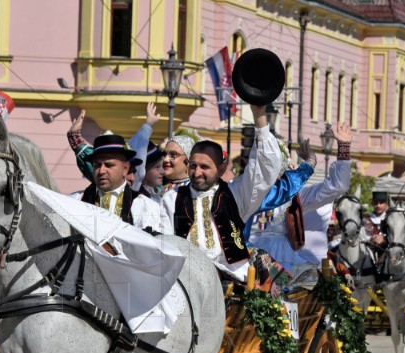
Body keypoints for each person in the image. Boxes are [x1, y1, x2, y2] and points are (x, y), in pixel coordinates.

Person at [159, 104, 281, 282]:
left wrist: (259, 117)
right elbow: (164, 243)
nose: (197, 172)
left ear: (221, 168)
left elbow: (263, 169)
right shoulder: (172, 198)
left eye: (205, 167)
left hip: (231, 280)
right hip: (185, 279)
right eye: (193, 166)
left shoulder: (235, 194)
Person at [247, 122, 355, 276]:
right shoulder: (241, 191)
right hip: (245, 259)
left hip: (284, 261)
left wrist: (344, 147)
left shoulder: (296, 196)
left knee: (297, 290)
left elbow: (338, 186)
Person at [70, 134, 161, 231]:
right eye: (97, 165)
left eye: (109, 165)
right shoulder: (75, 201)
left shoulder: (144, 205)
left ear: (125, 169)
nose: (101, 171)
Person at [363, 190, 390, 254]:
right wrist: (370, 239)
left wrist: (384, 240)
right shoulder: (364, 219)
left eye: (381, 203)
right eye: (376, 202)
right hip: (367, 252)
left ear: (386, 204)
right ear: (372, 203)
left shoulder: (389, 219)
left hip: (385, 253)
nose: (378, 205)